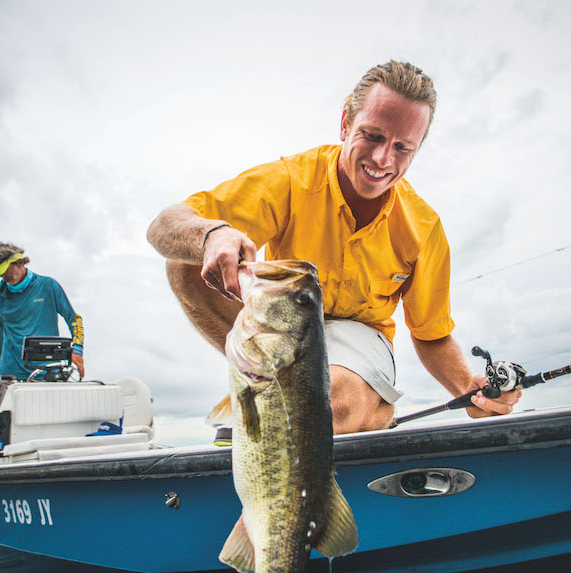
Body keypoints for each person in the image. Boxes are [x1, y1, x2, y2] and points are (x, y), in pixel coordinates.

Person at [147, 60, 520, 434]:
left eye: (402, 147)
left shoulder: (424, 227)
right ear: (345, 123)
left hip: (362, 336)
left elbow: (431, 333)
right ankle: (266, 389)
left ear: (417, 148)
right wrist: (212, 235)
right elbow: (164, 226)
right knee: (186, 259)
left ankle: (359, 408)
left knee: (329, 406)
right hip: (287, 323)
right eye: (372, 135)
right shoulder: (292, 179)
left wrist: (470, 392)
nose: (382, 159)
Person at [0, 242, 85, 380]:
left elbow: (74, 319)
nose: (1, 275)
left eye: (4, 269)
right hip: (10, 372)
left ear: (20, 263)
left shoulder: (48, 285)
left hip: (46, 371)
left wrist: (77, 350)